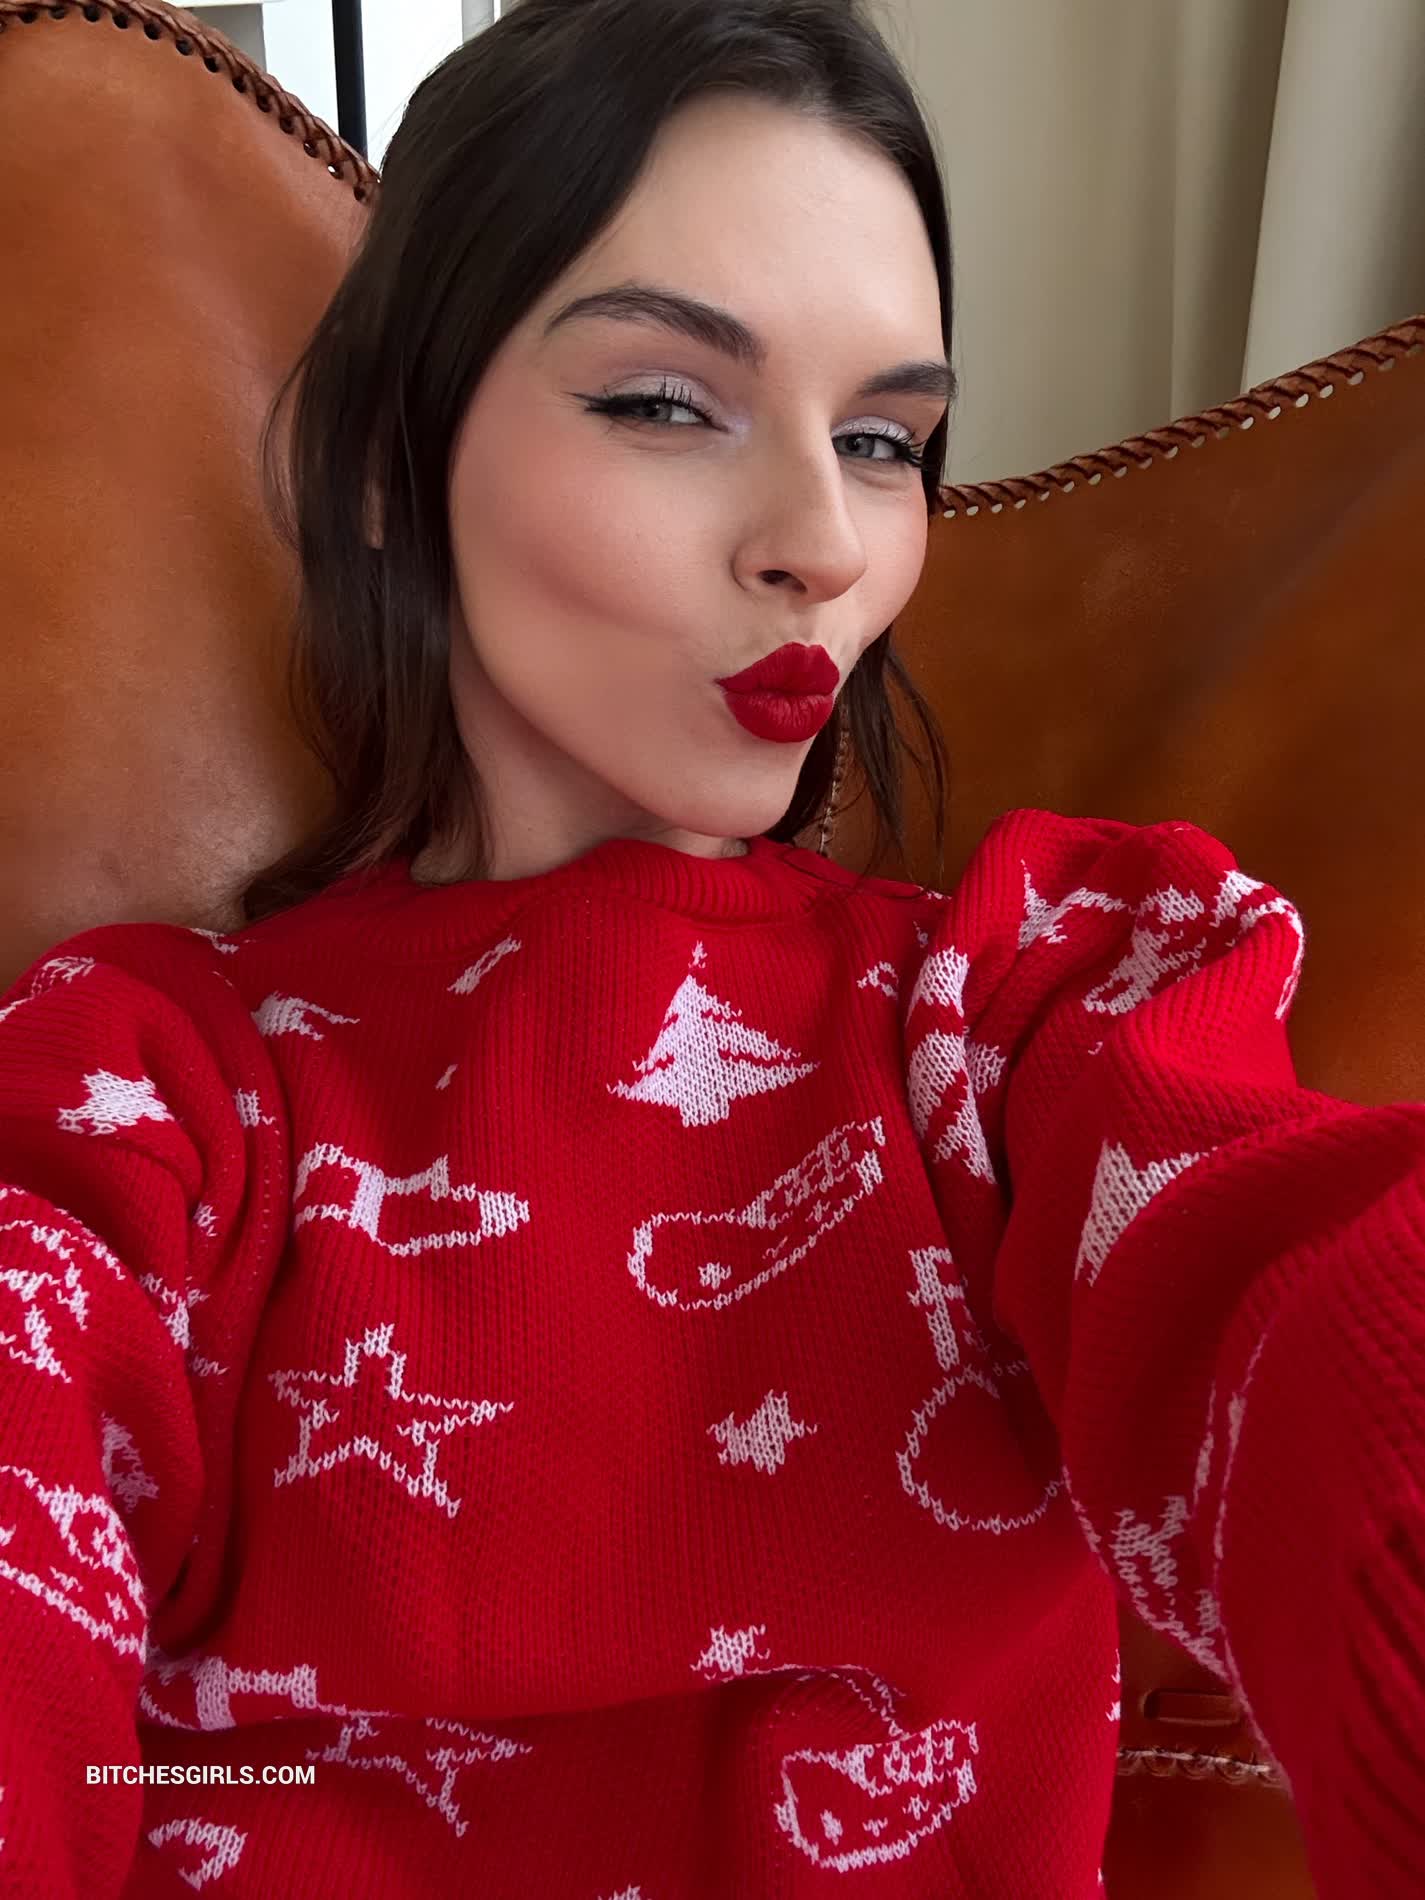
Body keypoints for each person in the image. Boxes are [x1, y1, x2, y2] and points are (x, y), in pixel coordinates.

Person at [0, 0, 1420, 1893]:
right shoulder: (149, 1094)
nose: (822, 541)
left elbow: (1292, 1295)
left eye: (885, 439)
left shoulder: (1019, 1019)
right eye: (666, 402)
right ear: (383, 455)